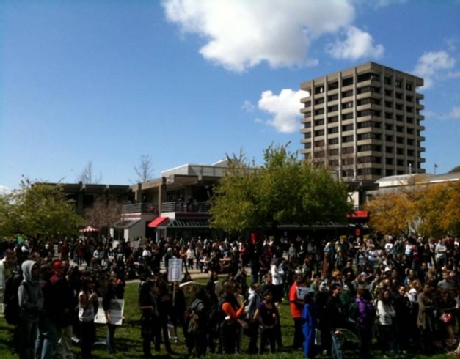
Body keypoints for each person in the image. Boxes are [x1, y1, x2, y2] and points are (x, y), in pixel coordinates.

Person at [18, 260, 44, 359]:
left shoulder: (36, 283)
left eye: (37, 268)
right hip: (26, 317)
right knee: (26, 341)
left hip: (35, 316)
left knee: (33, 340)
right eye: (34, 269)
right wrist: (33, 306)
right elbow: (22, 302)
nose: (36, 271)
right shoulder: (23, 285)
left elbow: (41, 296)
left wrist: (39, 305)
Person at [103, 272, 124, 354]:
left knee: (111, 331)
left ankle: (111, 348)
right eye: (114, 282)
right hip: (109, 314)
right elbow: (105, 306)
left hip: (113, 313)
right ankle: (110, 349)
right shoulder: (108, 292)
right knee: (110, 331)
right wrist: (107, 317)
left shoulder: (114, 290)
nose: (116, 283)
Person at [78, 277, 98, 359]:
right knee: (85, 338)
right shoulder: (82, 294)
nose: (91, 284)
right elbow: (84, 306)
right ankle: (84, 354)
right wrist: (90, 299)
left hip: (90, 317)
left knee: (91, 338)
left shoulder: (90, 291)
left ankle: (89, 353)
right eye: (89, 283)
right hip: (84, 319)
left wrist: (95, 299)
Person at [326, 283, 346, 359]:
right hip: (334, 326)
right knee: (338, 345)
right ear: (333, 290)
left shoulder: (338, 299)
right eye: (338, 289)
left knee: (335, 345)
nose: (340, 291)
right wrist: (334, 328)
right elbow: (330, 316)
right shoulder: (330, 301)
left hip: (339, 325)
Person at [254, 289, 277, 354]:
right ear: (265, 296)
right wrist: (262, 324)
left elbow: (274, 313)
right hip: (263, 328)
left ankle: (273, 354)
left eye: (271, 295)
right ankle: (260, 354)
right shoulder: (261, 305)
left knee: (272, 342)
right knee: (262, 343)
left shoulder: (272, 305)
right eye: (268, 295)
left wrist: (275, 319)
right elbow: (255, 316)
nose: (270, 296)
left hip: (271, 327)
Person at [139, 281, 158, 358]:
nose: (155, 287)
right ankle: (146, 353)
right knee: (146, 337)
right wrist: (150, 307)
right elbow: (141, 307)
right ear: (150, 287)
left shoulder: (152, 295)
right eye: (154, 286)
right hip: (147, 318)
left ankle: (148, 352)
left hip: (151, 318)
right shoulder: (146, 296)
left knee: (149, 336)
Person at [356, 288, 375, 359]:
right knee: (363, 341)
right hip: (363, 324)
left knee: (367, 340)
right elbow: (362, 314)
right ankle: (363, 355)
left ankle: (366, 353)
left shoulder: (366, 302)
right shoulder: (361, 303)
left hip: (367, 324)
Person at [289, 274, 304, 350]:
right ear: (295, 279)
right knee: (298, 329)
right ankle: (296, 344)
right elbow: (292, 300)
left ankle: (300, 343)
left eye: (301, 278)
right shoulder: (293, 288)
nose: (300, 280)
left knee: (301, 328)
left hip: (301, 311)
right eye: (298, 278)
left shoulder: (301, 286)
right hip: (296, 311)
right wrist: (302, 303)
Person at [301, 292, 317, 359]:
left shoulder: (312, 305)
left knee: (312, 341)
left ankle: (311, 354)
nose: (315, 298)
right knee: (308, 340)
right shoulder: (307, 306)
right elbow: (305, 317)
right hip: (308, 326)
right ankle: (307, 355)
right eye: (313, 297)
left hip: (312, 325)